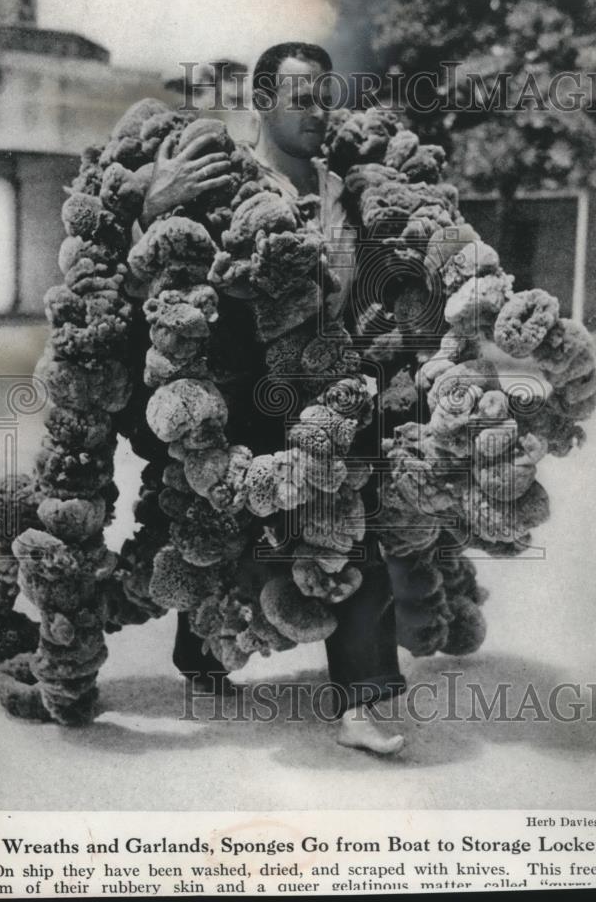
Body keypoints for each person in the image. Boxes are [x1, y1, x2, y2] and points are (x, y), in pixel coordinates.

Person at [137, 42, 406, 755]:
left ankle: (363, 699)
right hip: (237, 384)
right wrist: (151, 207)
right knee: (216, 520)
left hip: (328, 388)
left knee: (349, 529)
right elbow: (156, 275)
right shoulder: (217, 179)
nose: (319, 111)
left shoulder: (347, 190)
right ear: (261, 101)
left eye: (326, 97)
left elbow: (371, 286)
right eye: (302, 98)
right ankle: (203, 657)